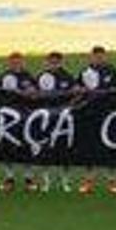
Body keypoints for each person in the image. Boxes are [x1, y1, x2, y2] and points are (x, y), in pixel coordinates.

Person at [78, 45, 116, 194]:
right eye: (96, 56)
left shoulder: (111, 70)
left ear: (105, 57)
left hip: (108, 114)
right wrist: (81, 91)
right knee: (90, 147)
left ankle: (112, 181)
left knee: (109, 146)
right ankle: (88, 181)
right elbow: (76, 89)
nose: (99, 58)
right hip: (91, 114)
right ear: (91, 57)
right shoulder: (85, 72)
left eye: (101, 56)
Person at [35, 51, 77, 192]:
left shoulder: (67, 76)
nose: (53, 64)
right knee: (45, 150)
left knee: (64, 150)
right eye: (51, 62)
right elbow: (34, 95)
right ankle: (45, 182)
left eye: (56, 62)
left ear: (61, 62)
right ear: (46, 62)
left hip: (62, 119)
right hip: (45, 118)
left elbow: (76, 93)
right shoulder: (41, 77)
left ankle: (65, 182)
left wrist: (69, 106)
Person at [0, 52, 38, 192]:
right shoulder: (4, 77)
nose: (16, 64)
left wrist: (31, 93)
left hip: (26, 117)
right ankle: (9, 178)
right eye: (13, 62)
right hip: (9, 118)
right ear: (9, 63)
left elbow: (36, 94)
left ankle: (29, 178)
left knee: (26, 146)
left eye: (18, 61)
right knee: (8, 147)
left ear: (23, 62)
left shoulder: (29, 77)